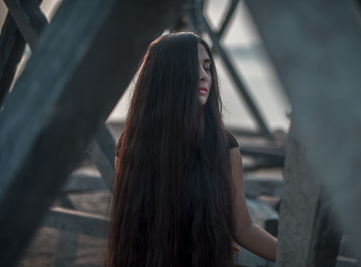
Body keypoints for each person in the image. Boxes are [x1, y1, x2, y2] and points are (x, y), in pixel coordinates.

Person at [105, 32, 277, 267]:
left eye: (207, 67)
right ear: (166, 76)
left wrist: (301, 257)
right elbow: (129, 225)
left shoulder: (223, 145)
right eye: (191, 67)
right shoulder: (131, 146)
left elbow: (244, 228)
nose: (203, 76)